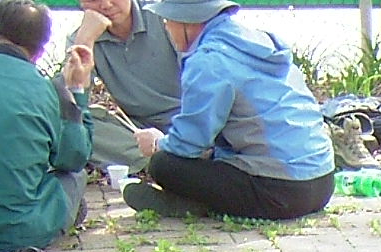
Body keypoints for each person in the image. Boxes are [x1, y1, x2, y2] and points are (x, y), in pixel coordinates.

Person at [121, 0, 331, 222]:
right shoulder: (259, 40)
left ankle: (194, 205)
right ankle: (201, 202)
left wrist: (157, 144)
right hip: (323, 182)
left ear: (186, 21)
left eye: (167, 20)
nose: (166, 27)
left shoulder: (208, 61)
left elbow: (188, 145)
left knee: (164, 164)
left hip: (280, 192)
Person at [0, 0, 91, 252]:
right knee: (74, 177)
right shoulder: (46, 90)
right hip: (20, 231)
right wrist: (77, 92)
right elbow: (74, 157)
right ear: (41, 50)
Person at [69, 0, 179, 173]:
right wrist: (84, 42)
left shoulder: (163, 15)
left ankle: (170, 156)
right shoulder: (83, 37)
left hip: (184, 115)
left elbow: (203, 80)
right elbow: (70, 99)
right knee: (80, 124)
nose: (106, 5)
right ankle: (164, 160)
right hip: (135, 129)